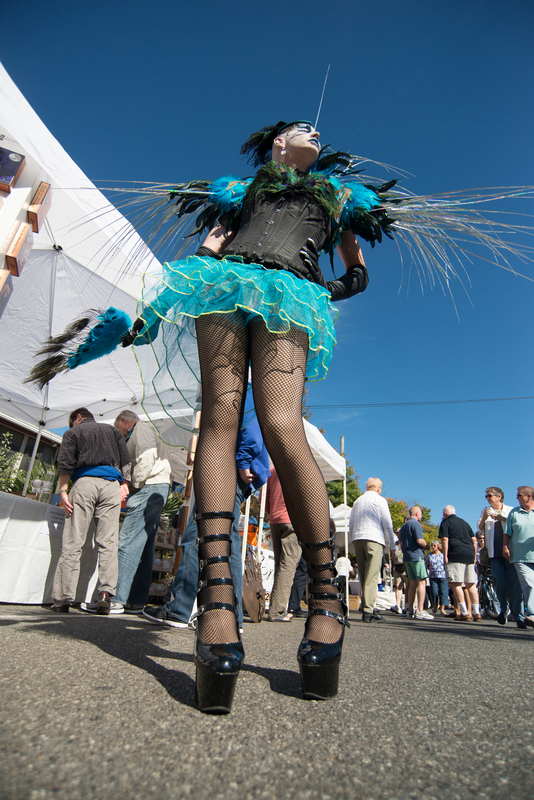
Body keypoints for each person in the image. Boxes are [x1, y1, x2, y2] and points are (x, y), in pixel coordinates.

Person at [142, 385, 270, 630]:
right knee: (225, 539)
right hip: (231, 469)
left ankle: (179, 609)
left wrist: (243, 460)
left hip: (225, 468)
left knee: (199, 532)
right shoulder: (245, 389)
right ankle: (229, 617)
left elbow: (252, 431)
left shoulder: (243, 388)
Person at [51, 407, 130, 614]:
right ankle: (105, 594)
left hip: (85, 483)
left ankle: (63, 599)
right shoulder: (113, 431)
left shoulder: (73, 433)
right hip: (111, 485)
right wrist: (125, 484)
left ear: (78, 417)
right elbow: (126, 459)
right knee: (109, 541)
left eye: (71, 422)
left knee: (73, 541)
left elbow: (65, 463)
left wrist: (63, 491)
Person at [100, 409, 173, 614]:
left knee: (128, 541)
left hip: (148, 486)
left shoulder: (141, 427)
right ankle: (135, 600)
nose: (120, 436)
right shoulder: (147, 429)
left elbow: (147, 456)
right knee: (144, 546)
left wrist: (134, 484)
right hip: (157, 487)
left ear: (124, 421)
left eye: (119, 430)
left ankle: (116, 599)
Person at [349, 478, 395, 623]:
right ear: (379, 488)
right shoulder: (380, 500)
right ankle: (368, 610)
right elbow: (387, 524)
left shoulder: (358, 501)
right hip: (374, 538)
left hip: (358, 538)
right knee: (372, 575)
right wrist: (391, 546)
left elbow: (351, 523)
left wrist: (353, 539)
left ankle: (366, 605)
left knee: (362, 574)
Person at [477, 486, 523, 627]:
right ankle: (503, 610)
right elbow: (480, 528)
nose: (488, 498)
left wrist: (500, 517)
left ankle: (519, 615)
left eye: (490, 495)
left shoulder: (511, 510)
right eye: (486, 496)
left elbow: (515, 525)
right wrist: (485, 516)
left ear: (499, 497)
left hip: (511, 551)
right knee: (499, 581)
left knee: (514, 583)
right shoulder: (485, 511)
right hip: (494, 553)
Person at [264, 466, 302, 622]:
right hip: (293, 520)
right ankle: (277, 611)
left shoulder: (272, 470)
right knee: (288, 565)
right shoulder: (298, 467)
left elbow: (263, 498)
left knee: (280, 565)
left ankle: (276, 608)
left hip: (275, 520)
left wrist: (272, 513)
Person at [439, 505, 481, 622]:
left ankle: (464, 612)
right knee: (471, 584)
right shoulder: (465, 523)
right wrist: (473, 555)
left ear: (445, 513)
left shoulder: (446, 522)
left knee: (456, 584)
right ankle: (477, 613)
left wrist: (445, 555)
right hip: (468, 554)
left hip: (455, 554)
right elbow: (474, 540)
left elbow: (445, 539)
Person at [503, 486, 534, 627]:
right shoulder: (514, 513)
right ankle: (532, 615)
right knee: (528, 583)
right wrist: (505, 547)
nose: (517, 497)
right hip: (520, 556)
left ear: (529, 496)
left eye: (520, 495)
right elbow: (507, 532)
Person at [399, 506, 433, 620]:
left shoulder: (404, 526)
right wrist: (427, 546)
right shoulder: (416, 524)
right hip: (416, 555)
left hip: (407, 556)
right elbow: (420, 540)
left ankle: (410, 610)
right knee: (421, 582)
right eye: (421, 514)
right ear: (417, 513)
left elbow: (401, 543)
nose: (421, 516)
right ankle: (419, 610)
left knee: (412, 583)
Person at [426, 541, 449, 616]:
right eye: (432, 545)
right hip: (433, 576)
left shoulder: (442, 555)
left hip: (442, 576)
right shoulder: (429, 555)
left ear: (438, 546)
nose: (433, 547)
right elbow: (426, 565)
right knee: (434, 592)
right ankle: (435, 605)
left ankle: (442, 608)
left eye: (435, 545)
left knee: (443, 592)